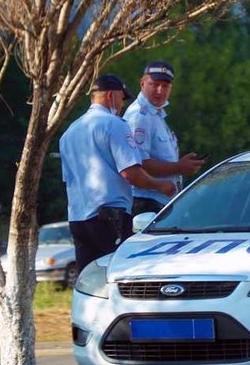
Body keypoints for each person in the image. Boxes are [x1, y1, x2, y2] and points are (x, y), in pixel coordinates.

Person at [59, 74, 177, 271]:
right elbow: (131, 173)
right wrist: (161, 185)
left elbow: (69, 179)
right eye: (122, 99)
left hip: (78, 218)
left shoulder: (70, 132)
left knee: (90, 280)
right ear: (112, 96)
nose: (121, 105)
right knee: (119, 275)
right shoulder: (115, 125)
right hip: (109, 216)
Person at [123, 61, 206, 215]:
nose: (160, 91)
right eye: (154, 84)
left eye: (165, 86)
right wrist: (179, 167)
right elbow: (139, 164)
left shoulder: (156, 114)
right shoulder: (140, 116)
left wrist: (182, 165)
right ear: (142, 83)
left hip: (159, 201)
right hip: (146, 201)